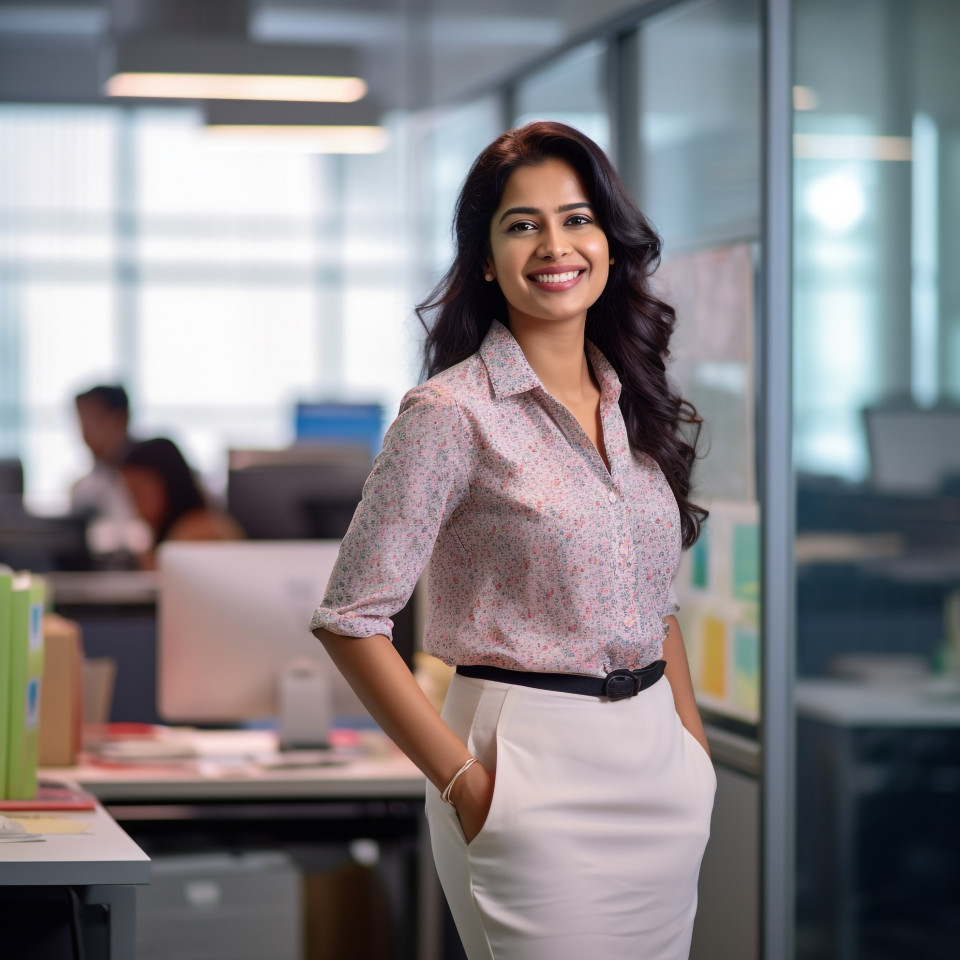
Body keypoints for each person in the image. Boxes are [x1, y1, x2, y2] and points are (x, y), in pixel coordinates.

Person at [310, 121, 715, 960]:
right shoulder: (450, 414)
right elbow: (350, 617)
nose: (555, 245)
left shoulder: (632, 403)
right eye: (522, 224)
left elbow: (656, 603)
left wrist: (692, 749)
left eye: (577, 219)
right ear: (486, 259)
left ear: (609, 243)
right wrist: (465, 785)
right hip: (526, 766)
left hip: (659, 769)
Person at [119, 438, 244, 568]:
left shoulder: (200, 533)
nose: (133, 505)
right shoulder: (175, 531)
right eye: (128, 495)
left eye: (137, 492)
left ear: (169, 483)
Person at [71, 384, 135, 522]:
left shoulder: (144, 477)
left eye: (93, 421)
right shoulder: (84, 487)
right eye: (82, 422)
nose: (86, 432)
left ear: (121, 420)